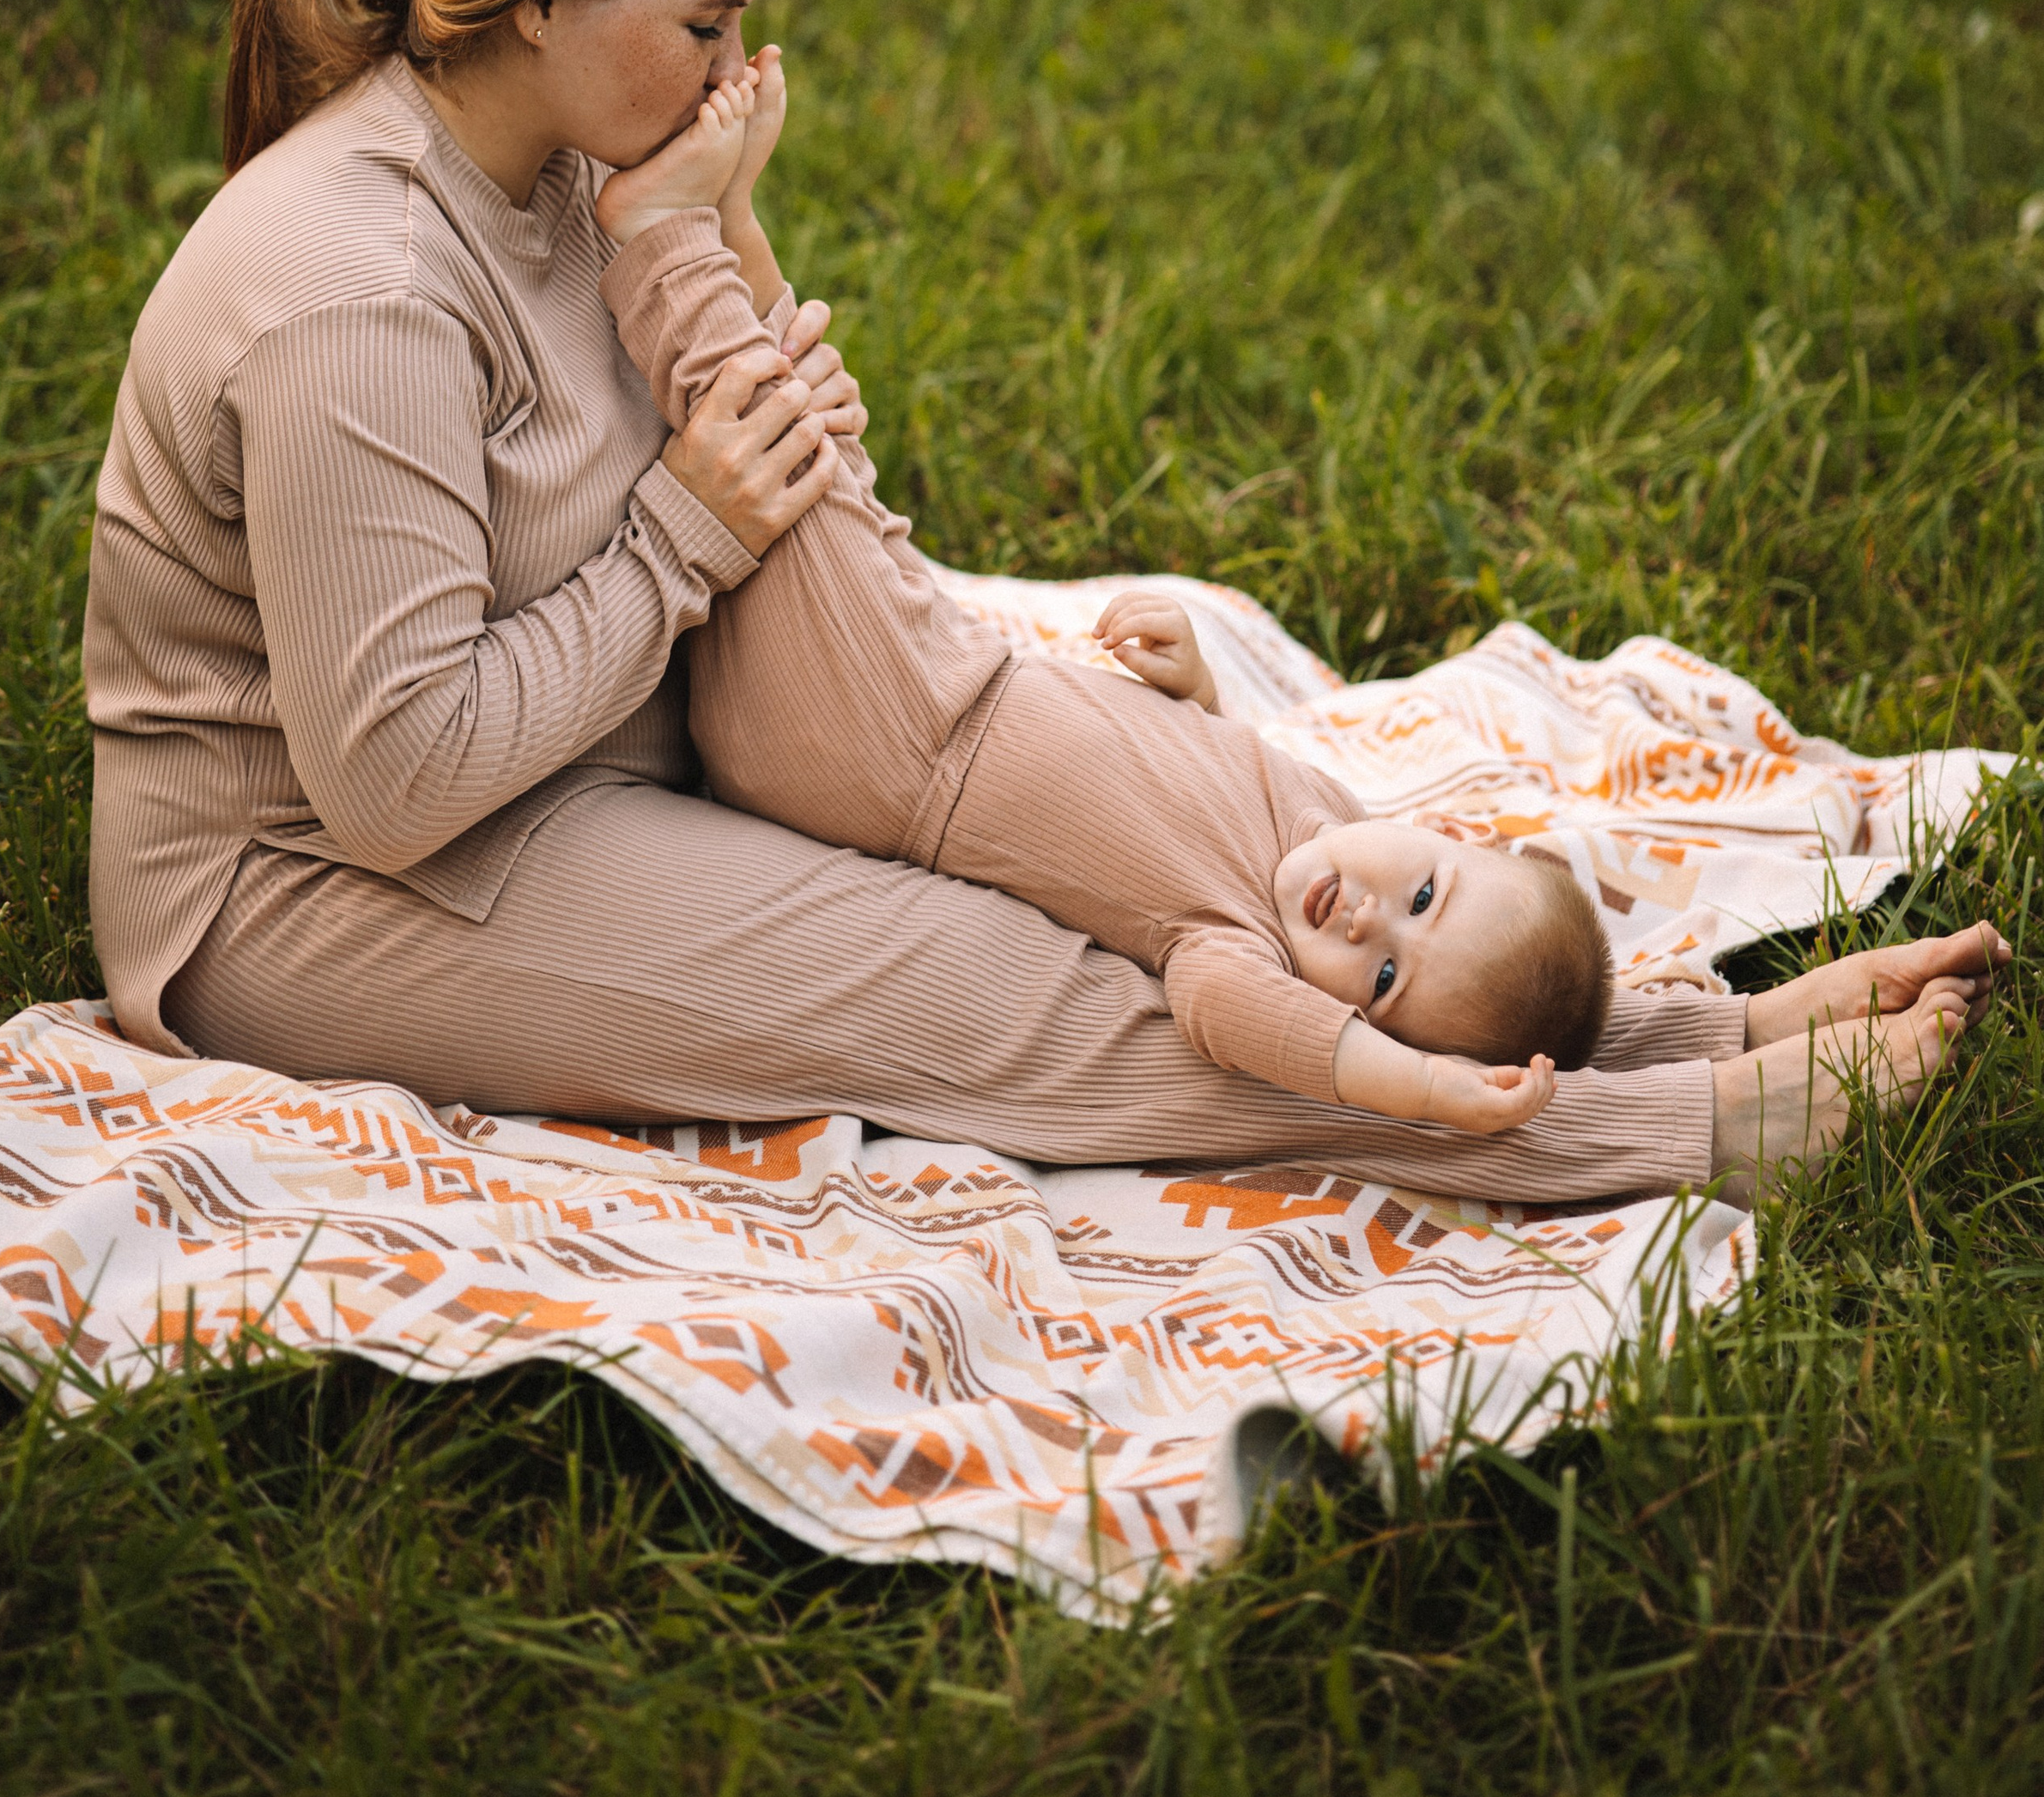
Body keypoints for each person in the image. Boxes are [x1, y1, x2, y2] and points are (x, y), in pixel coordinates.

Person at [82, 0, 1998, 1212]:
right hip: (314, 886)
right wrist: (688, 534)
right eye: (707, 25)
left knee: (1165, 848)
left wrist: (750, 367)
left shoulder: (580, 167)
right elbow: (395, 773)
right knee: (1017, 991)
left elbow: (733, 460)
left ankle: (1668, 1025)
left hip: (594, 751)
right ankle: (1654, 1136)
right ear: (535, 4)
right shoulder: (350, 292)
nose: (738, 70)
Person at [592, 70, 1616, 1137]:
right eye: (1420, 898)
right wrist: (1192, 688)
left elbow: (1240, 1021)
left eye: (1384, 982)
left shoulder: (1229, 950)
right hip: (951, 679)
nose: (1362, 923)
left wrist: (1419, 1090)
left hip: (885, 753)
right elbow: (1215, 775)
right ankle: (728, 232)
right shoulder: (1324, 813)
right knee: (834, 467)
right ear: (1450, 837)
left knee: (801, 493)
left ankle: (664, 245)